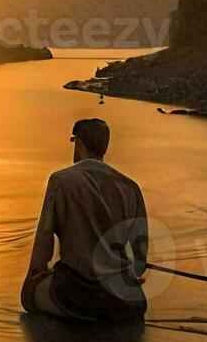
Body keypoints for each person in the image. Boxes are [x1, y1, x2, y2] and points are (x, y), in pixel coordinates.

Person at [21, 118, 148, 322]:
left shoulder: (60, 181)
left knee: (29, 294)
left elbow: (43, 247)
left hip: (74, 296)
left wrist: (34, 278)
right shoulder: (131, 188)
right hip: (124, 300)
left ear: (78, 144)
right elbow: (140, 261)